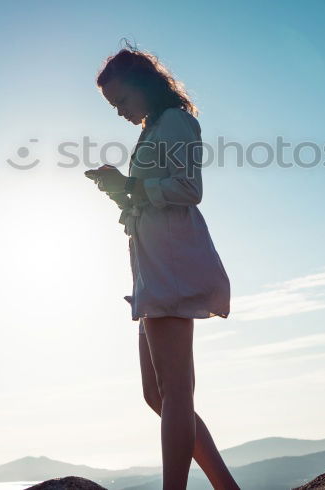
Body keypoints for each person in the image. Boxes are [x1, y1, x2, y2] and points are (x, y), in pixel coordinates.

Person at [85, 39, 239, 490]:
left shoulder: (175, 123)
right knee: (158, 393)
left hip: (171, 262)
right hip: (153, 266)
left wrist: (130, 188)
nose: (118, 112)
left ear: (144, 85)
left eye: (121, 100)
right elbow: (148, 193)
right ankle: (227, 487)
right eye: (113, 106)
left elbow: (189, 190)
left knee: (174, 393)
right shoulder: (154, 129)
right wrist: (119, 188)